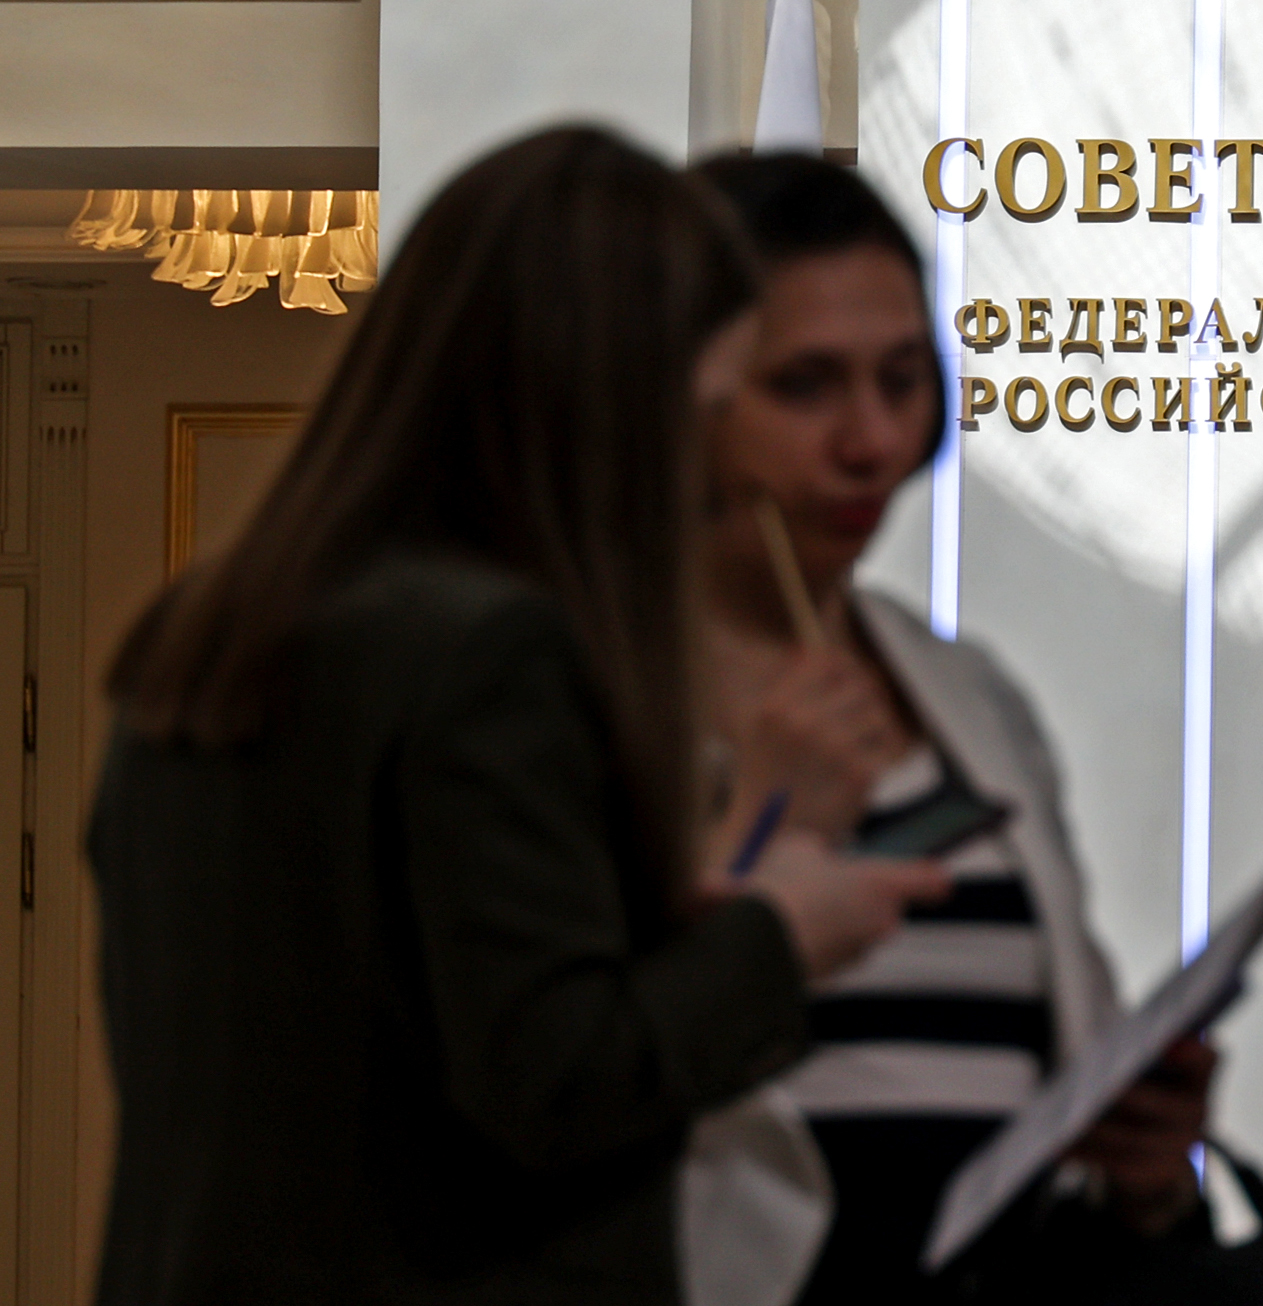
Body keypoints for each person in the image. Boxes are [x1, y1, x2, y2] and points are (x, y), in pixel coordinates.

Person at [89, 127, 951, 1306]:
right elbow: (557, 1078)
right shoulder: (491, 655)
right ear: (604, 405)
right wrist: (784, 928)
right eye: (703, 415)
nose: (710, 479)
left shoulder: (207, 631)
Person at [681, 154, 1213, 1306]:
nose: (870, 441)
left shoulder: (965, 695)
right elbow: (577, 1063)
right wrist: (763, 820)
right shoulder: (588, 686)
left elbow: (1046, 1042)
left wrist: (1141, 1164)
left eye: (903, 379)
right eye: (805, 386)